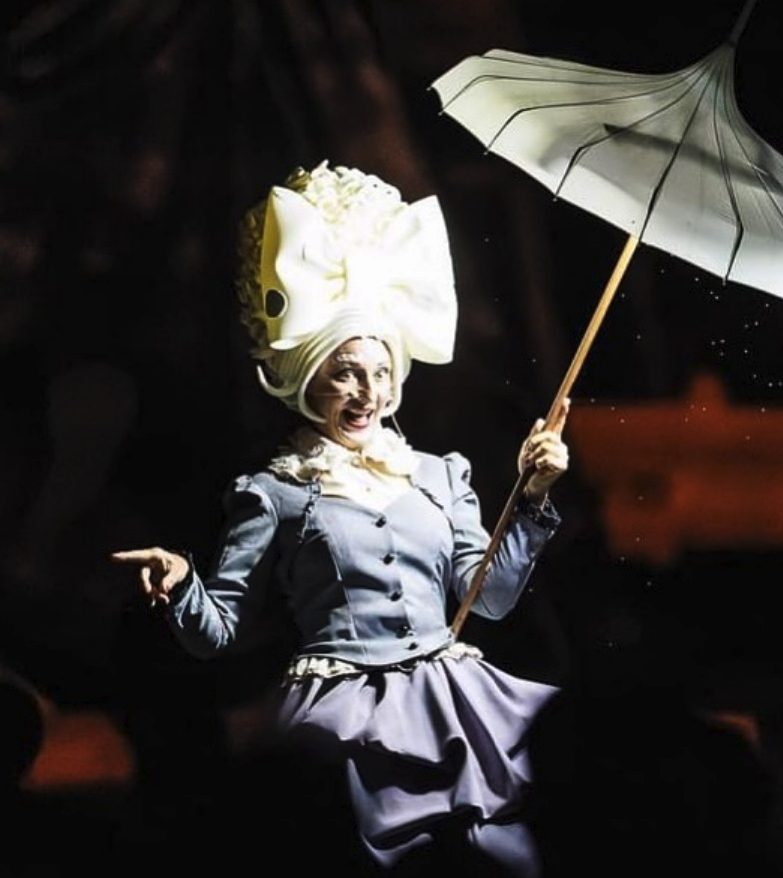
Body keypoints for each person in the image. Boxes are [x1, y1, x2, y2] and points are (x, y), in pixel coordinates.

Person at [111, 161, 569, 877]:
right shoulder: (275, 492)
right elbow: (218, 634)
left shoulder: (440, 476)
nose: (368, 392)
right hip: (344, 720)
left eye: (381, 371)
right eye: (346, 371)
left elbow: (494, 598)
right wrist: (180, 583)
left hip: (453, 707)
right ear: (308, 377)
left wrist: (532, 495)